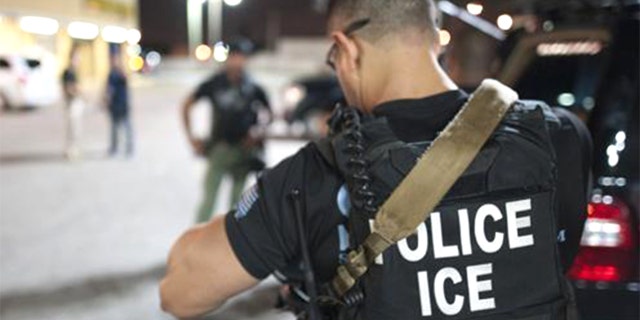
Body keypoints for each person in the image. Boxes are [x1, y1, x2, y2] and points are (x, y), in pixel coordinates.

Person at [161, 1, 592, 319]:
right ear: (432, 32)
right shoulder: (559, 135)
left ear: (345, 49)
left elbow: (180, 294)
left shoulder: (317, 174)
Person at [181, 39, 271, 223]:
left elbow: (269, 114)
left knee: (237, 205)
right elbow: (186, 105)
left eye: (242, 57)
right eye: (234, 56)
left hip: (244, 152)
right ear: (228, 58)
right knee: (208, 201)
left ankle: (230, 246)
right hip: (219, 150)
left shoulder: (252, 86)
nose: (237, 61)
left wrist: (258, 132)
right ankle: (197, 243)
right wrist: (191, 137)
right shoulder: (215, 83)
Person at [106, 55, 134, 157]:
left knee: (127, 127)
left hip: (123, 105)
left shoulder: (122, 74)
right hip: (114, 106)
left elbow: (126, 79)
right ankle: (114, 148)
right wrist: (106, 100)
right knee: (114, 128)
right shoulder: (111, 75)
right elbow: (109, 89)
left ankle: (129, 148)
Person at [62, 49, 84, 160]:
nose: (79, 60)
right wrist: (77, 91)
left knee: (76, 128)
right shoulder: (68, 72)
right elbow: (68, 89)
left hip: (76, 102)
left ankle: (74, 149)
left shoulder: (75, 71)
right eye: (77, 57)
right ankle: (71, 151)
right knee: (73, 129)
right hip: (72, 103)